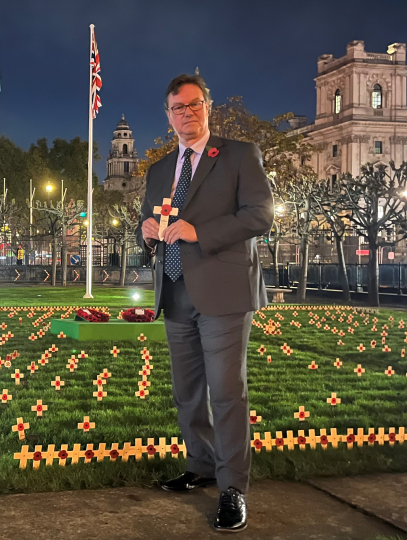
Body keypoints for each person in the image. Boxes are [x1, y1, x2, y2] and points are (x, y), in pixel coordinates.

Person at [136, 74, 273, 533]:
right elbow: (148, 221)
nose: (186, 113)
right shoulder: (158, 170)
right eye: (177, 107)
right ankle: (200, 465)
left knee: (227, 392)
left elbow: (261, 215)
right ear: (168, 114)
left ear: (207, 107)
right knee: (188, 391)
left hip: (224, 292)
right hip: (174, 292)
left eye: (193, 105)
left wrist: (201, 233)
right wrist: (146, 234)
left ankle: (233, 488)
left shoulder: (238, 154)